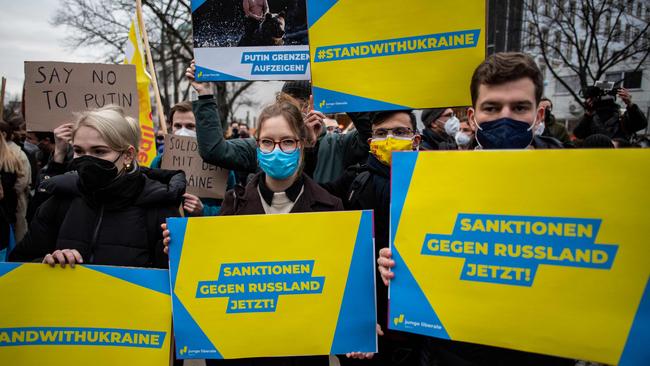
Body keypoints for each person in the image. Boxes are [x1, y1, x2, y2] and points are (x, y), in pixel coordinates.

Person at [378, 52, 574, 365]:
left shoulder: (576, 180)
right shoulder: (429, 180)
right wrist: (397, 267)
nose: (505, 116)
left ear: (538, 115)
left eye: (519, 107)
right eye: (492, 107)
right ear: (472, 116)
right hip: (452, 354)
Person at [162, 100, 343, 366]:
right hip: (242, 350)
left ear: (302, 143)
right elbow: (212, 274)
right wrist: (182, 250)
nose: (276, 150)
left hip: (302, 349)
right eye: (267, 142)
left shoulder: (331, 209)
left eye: (287, 142)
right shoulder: (233, 204)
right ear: (257, 145)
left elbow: (340, 279)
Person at [9, 106, 185, 268]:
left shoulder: (159, 207)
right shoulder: (60, 201)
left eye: (99, 151)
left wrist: (173, 258)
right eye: (78, 150)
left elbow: (178, 285)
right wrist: (46, 263)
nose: (86, 159)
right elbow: (18, 265)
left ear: (128, 155)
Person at [320, 110, 422, 365]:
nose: (389, 138)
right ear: (370, 142)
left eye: (399, 132)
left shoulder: (434, 181)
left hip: (421, 325)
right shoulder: (354, 180)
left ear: (416, 140)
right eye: (381, 133)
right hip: (368, 325)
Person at [185, 61, 371, 184]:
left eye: (305, 106)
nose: (298, 116)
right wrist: (205, 94)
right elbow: (215, 151)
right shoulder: (263, 147)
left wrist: (343, 88)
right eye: (289, 106)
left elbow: (371, 136)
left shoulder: (338, 145)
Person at [150, 101, 223, 217]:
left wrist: (204, 210)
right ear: (171, 127)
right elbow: (150, 205)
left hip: (205, 231)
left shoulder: (220, 164)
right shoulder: (158, 163)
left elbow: (231, 209)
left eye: (190, 126)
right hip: (170, 231)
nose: (183, 131)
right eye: (178, 126)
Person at [573, 87, 647, 142]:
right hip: (595, 158)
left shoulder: (623, 115)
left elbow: (641, 124)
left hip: (620, 157)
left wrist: (630, 104)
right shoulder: (590, 118)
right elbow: (579, 134)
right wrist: (588, 113)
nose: (603, 97)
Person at [0, 119, 29, 258]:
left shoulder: (15, 155)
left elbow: (22, 183)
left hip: (9, 210)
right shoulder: (14, 156)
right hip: (8, 211)